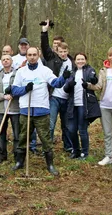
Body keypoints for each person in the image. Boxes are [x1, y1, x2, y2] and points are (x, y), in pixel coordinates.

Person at [11, 47, 71, 175]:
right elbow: (14, 90)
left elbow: (56, 83)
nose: (32, 57)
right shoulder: (21, 72)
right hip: (25, 110)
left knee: (45, 138)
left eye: (34, 54)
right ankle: (20, 162)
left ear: (38, 55)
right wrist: (25, 89)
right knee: (23, 137)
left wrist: (63, 78)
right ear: (26, 56)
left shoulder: (45, 70)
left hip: (41, 110)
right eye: (29, 55)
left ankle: (50, 164)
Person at [41, 19, 74, 153]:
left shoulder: (73, 62)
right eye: (60, 51)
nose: (62, 53)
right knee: (51, 124)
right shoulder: (52, 58)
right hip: (54, 97)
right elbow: (45, 47)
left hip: (67, 98)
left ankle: (68, 146)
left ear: (67, 50)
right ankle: (47, 148)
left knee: (66, 125)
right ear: (57, 50)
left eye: (65, 51)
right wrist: (44, 32)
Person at [63, 53, 101, 159]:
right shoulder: (72, 72)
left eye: (82, 59)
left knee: (82, 129)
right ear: (75, 61)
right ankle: (76, 151)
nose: (80, 61)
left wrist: (92, 80)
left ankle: (85, 153)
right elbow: (65, 89)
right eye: (78, 59)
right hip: (72, 105)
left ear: (86, 60)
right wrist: (69, 85)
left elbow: (94, 80)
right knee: (71, 129)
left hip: (84, 105)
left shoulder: (90, 70)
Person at [0, 54, 20, 164]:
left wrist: (14, 93)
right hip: (1, 109)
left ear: (11, 61)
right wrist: (3, 96)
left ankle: (18, 156)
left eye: (8, 59)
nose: (6, 61)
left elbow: (21, 89)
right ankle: (2, 155)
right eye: (3, 59)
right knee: (1, 133)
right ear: (1, 62)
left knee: (17, 134)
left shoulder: (17, 74)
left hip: (15, 108)